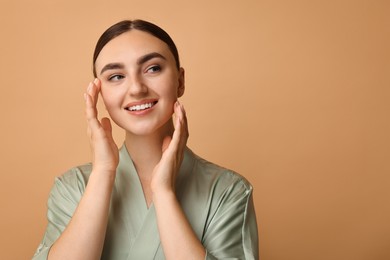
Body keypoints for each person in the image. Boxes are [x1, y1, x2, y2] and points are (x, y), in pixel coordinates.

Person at [33, 19, 259, 260]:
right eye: (116, 76)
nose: (137, 89)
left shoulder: (229, 190)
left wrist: (164, 193)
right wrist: (103, 172)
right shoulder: (73, 187)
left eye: (153, 68)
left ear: (180, 81)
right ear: (99, 92)